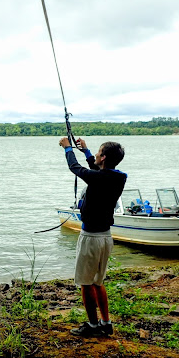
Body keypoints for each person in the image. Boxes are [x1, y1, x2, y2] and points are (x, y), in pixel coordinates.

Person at [58, 136, 127, 337]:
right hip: (106, 237)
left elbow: (76, 169)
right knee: (98, 282)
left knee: (86, 284)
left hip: (91, 238)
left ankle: (93, 326)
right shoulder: (116, 177)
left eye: (98, 152)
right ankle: (106, 323)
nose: (96, 154)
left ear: (103, 157)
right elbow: (95, 169)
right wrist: (87, 151)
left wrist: (67, 149)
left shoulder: (99, 178)